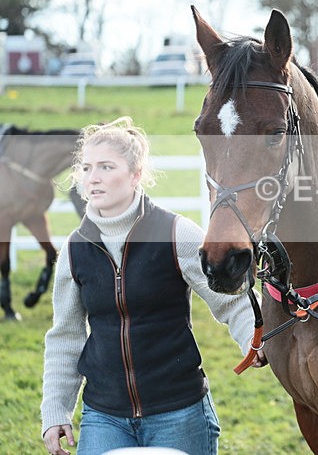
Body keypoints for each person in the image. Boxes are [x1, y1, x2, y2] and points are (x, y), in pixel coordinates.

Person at [41, 117, 266, 455]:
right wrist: (56, 410)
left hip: (179, 413)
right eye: (86, 168)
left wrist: (254, 336)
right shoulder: (74, 250)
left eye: (105, 166)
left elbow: (231, 300)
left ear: (135, 174)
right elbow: (65, 336)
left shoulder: (176, 233)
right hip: (104, 416)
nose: (93, 177)